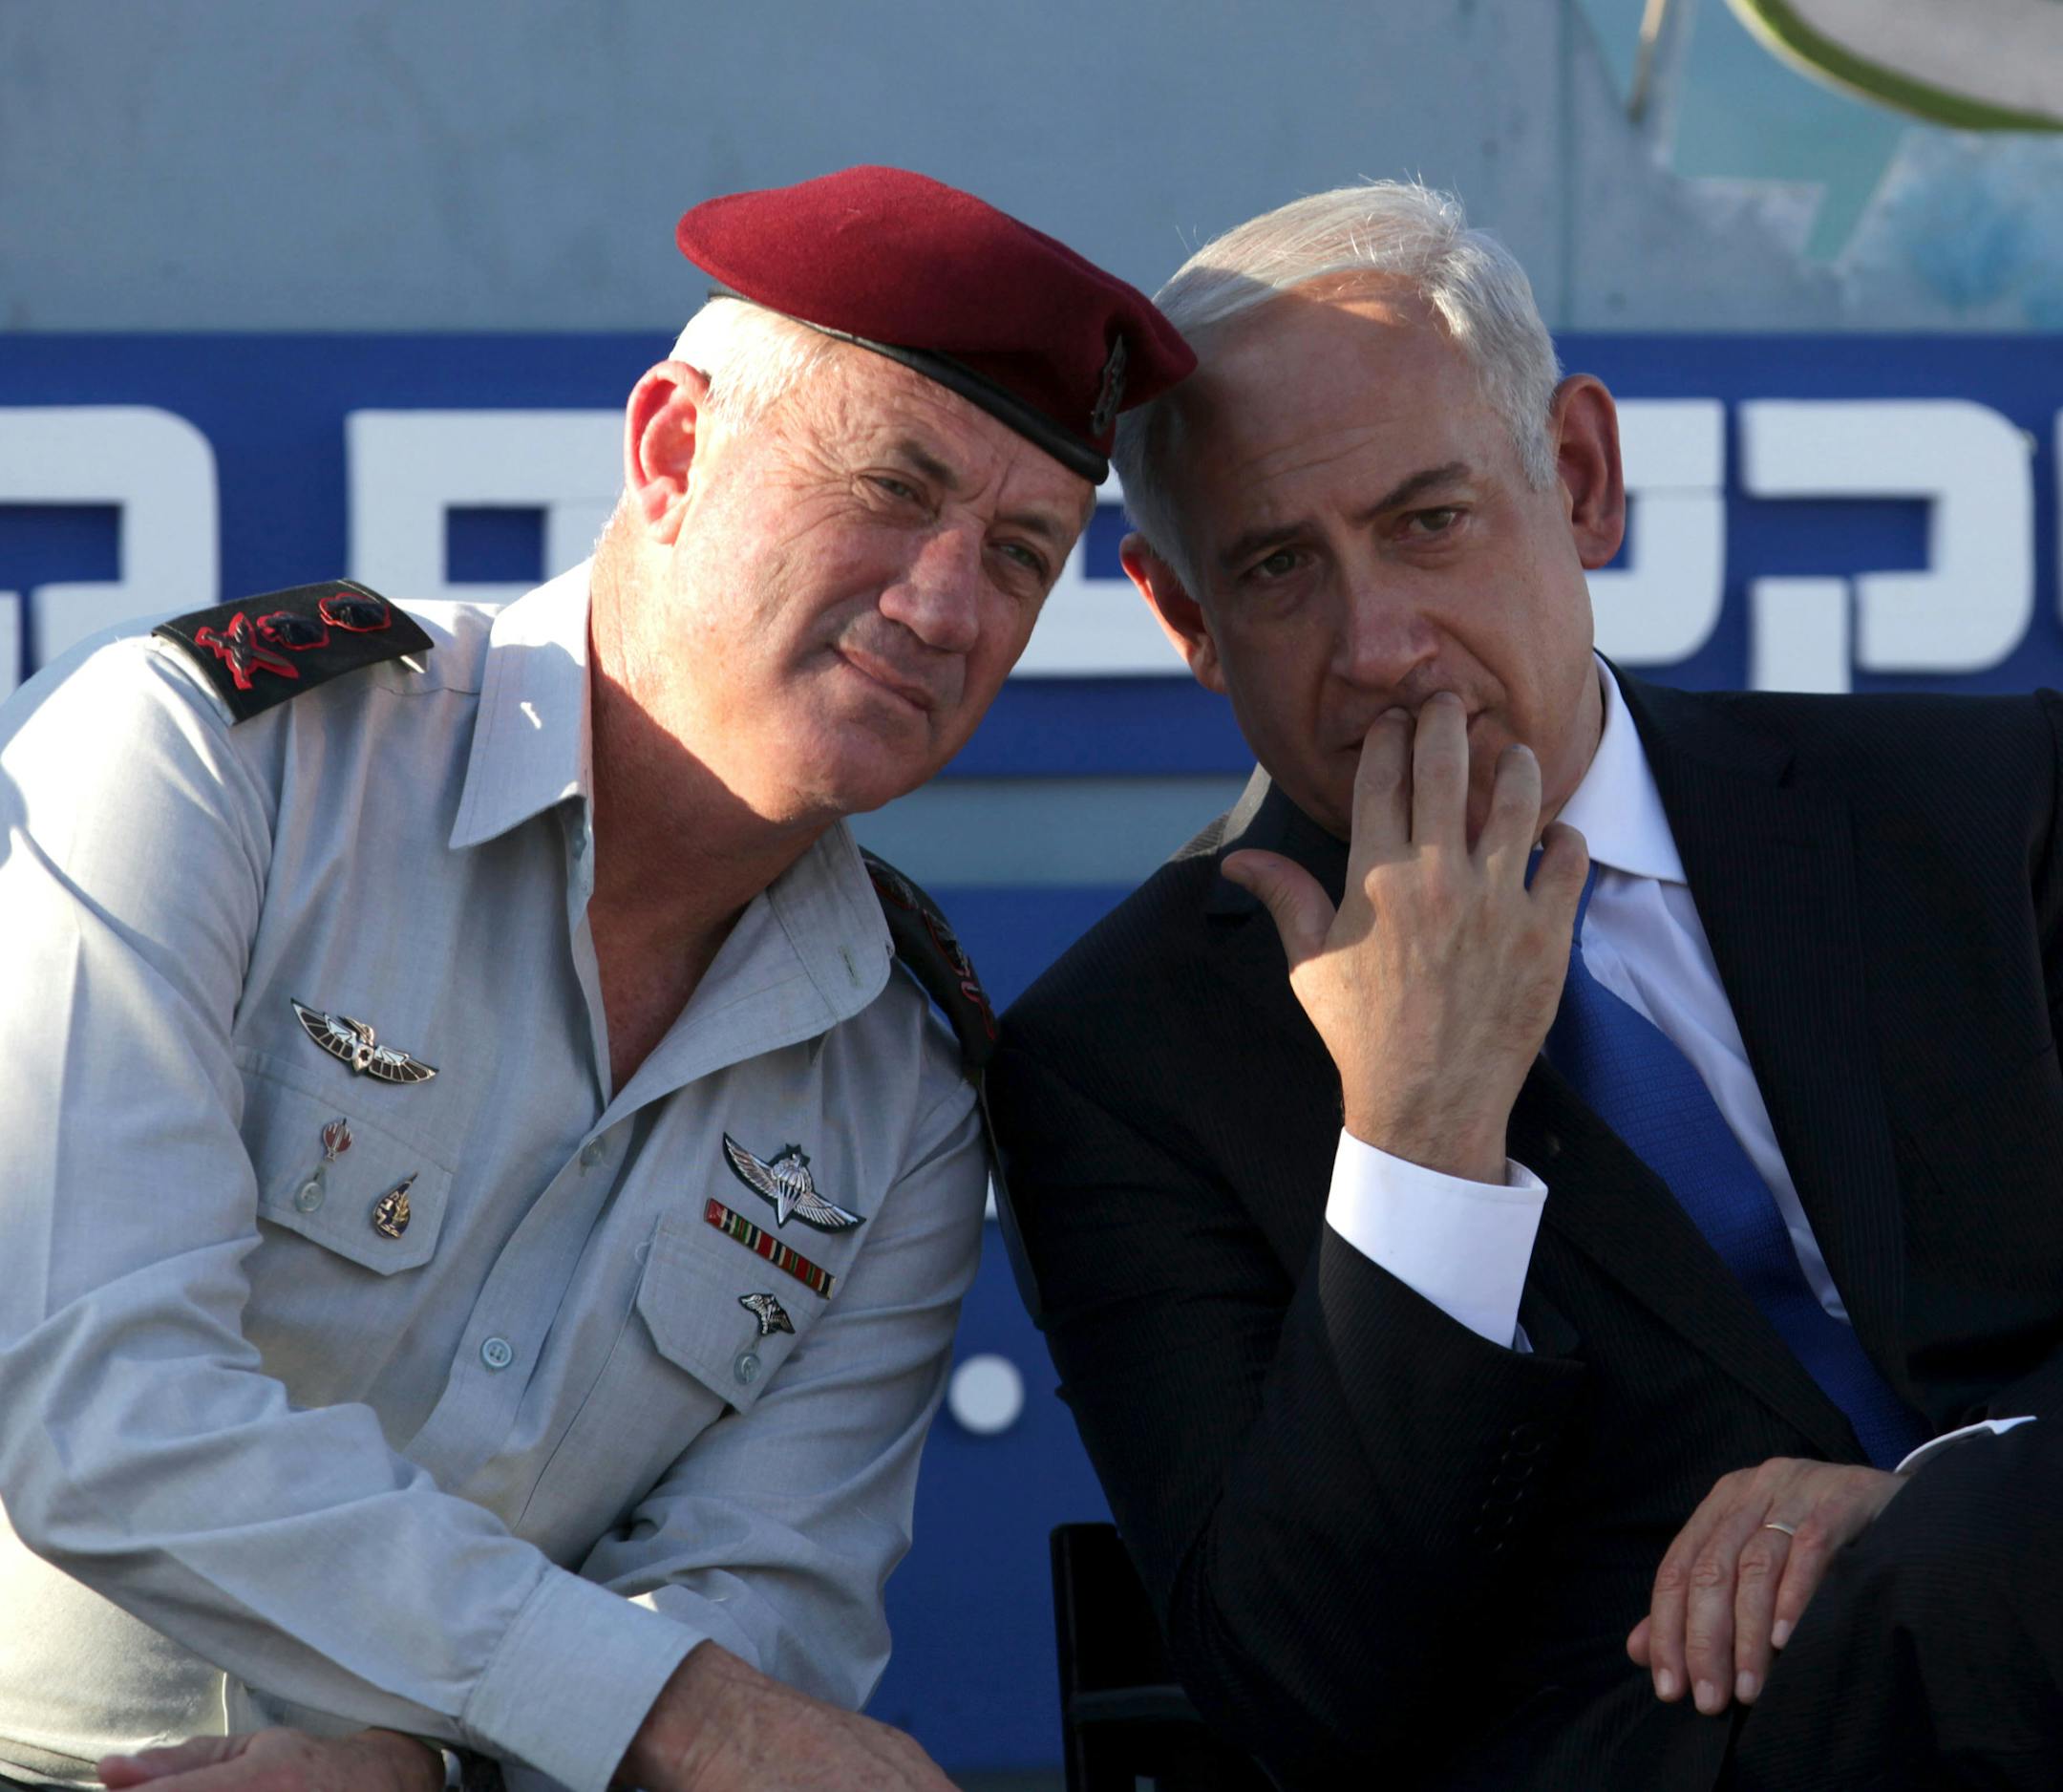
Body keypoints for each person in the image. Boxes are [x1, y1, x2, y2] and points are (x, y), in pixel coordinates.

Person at [0, 163, 1192, 1792]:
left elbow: (767, 1603)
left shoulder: (904, 1084)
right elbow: (99, 1406)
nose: (943, 604)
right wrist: (673, 1717)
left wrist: (430, 1779)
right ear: (673, 447)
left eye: (1022, 556)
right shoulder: (219, 761)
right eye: (893, 487)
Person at [989, 180, 2063, 1792]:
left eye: (1431, 521)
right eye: (1281, 568)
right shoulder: (1126, 1056)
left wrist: (1969, 1489)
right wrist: (1419, 1137)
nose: (1380, 644)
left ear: (1577, 478)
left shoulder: (1980, 805)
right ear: (1185, 620)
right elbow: (1298, 1699)